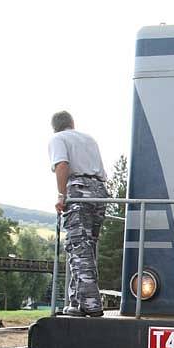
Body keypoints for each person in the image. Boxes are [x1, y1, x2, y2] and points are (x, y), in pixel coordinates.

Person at [48, 110, 108, 317]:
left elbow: (62, 165)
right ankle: (76, 302)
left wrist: (61, 195)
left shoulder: (58, 139)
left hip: (79, 190)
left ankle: (92, 305)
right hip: (100, 192)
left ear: (54, 127)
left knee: (78, 248)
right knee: (87, 247)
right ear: (72, 123)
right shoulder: (89, 139)